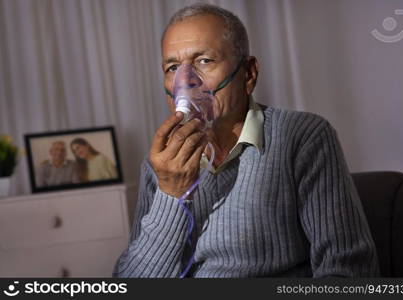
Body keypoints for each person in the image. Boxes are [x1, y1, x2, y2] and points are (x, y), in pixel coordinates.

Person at [113, 3, 379, 278]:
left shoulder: (301, 137)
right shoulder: (160, 165)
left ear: (248, 74)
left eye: (204, 61)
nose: (185, 81)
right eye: (172, 67)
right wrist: (170, 193)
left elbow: (349, 270)